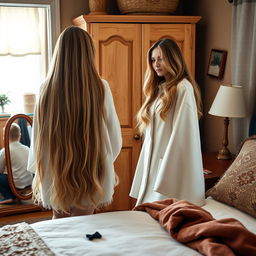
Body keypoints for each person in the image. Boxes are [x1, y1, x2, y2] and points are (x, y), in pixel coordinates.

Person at [27, 26, 122, 218]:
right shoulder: (100, 87)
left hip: (56, 167)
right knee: (84, 222)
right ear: (89, 54)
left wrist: (41, 164)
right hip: (90, 167)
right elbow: (113, 136)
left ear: (59, 53)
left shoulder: (46, 89)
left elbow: (37, 136)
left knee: (59, 222)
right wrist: (104, 160)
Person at [130, 38, 205, 206]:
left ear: (173, 59)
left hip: (167, 169)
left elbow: (183, 135)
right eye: (153, 59)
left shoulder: (183, 88)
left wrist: (166, 172)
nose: (156, 64)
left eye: (161, 58)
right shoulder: (159, 89)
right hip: (153, 164)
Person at [0, 123, 33, 204]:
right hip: (29, 181)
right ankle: (16, 195)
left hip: (15, 184)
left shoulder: (5, 151)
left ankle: (9, 196)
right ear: (20, 135)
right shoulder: (27, 149)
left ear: (4, 136)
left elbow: (0, 169)